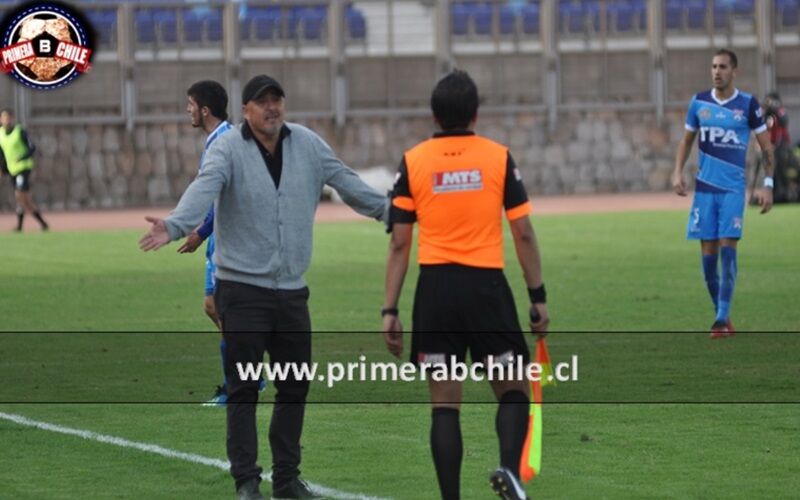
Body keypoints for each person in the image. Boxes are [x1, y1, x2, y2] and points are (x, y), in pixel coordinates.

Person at [139, 74, 387, 500]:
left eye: (277, 100)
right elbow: (204, 189)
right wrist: (176, 224)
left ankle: (287, 480)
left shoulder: (307, 144)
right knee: (244, 388)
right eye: (262, 102)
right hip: (242, 291)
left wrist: (392, 211)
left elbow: (346, 182)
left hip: (291, 293)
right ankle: (247, 482)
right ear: (247, 109)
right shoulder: (228, 148)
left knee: (294, 387)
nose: (272, 108)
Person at [382, 69, 549, 500]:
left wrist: (390, 309)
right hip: (485, 286)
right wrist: (538, 298)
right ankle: (509, 471)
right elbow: (524, 233)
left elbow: (400, 244)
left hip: (435, 290)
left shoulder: (413, 160)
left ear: (435, 116)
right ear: (475, 114)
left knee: (444, 404)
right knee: (513, 389)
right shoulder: (497, 157)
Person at [671, 49, 774, 339]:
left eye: (723, 67)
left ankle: (720, 319)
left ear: (734, 71)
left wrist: (768, 184)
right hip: (705, 192)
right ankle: (724, 315)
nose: (717, 71)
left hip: (732, 191)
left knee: (728, 253)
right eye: (714, 66)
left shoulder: (748, 105)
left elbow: (766, 147)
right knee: (707, 262)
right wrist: (677, 172)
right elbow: (686, 140)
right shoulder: (699, 102)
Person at [173, 80, 237, 407]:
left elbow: (224, 196)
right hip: (219, 237)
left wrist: (201, 232)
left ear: (205, 110)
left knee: (220, 307)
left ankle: (237, 383)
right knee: (212, 307)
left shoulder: (224, 141)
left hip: (227, 239)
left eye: (191, 104)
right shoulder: (218, 139)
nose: (188, 110)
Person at [0, 109, 48, 232]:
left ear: (12, 118)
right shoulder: (0, 134)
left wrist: (21, 157)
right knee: (25, 200)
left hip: (23, 168)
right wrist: (2, 169)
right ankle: (42, 224)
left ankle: (20, 226)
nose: (6, 120)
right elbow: (2, 154)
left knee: (19, 195)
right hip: (12, 170)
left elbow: (32, 148)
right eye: (4, 117)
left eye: (8, 117)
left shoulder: (19, 131)